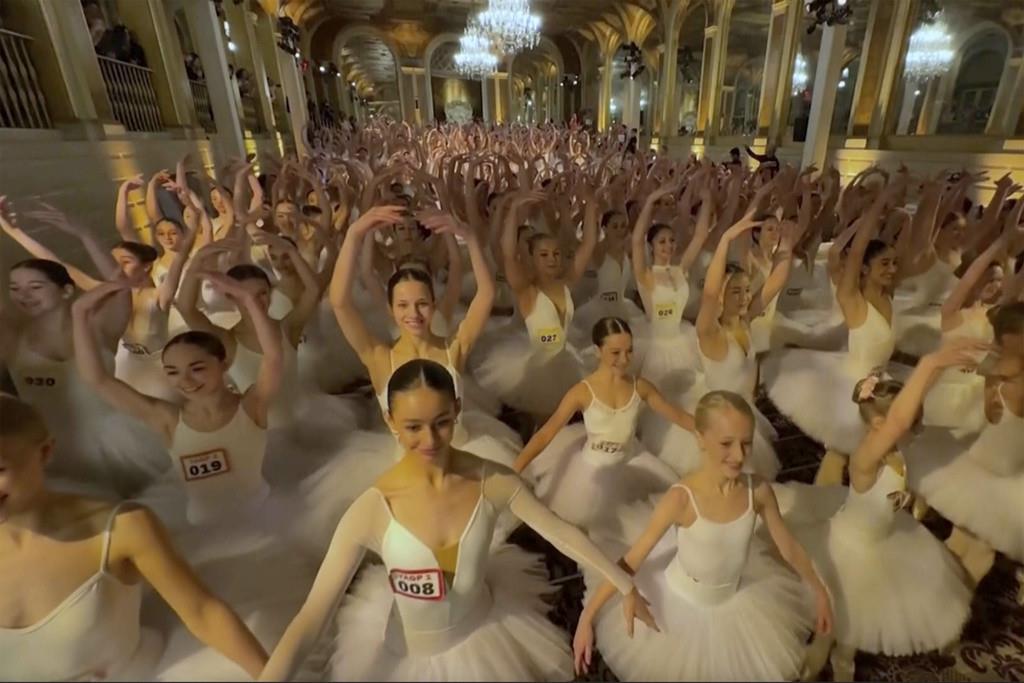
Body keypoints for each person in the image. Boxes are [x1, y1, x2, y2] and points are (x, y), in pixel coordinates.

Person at [259, 359, 656, 681]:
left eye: (441, 422)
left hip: (484, 638)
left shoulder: (494, 481)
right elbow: (313, 616)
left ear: (458, 413)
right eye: (413, 427)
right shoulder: (371, 509)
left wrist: (624, 585)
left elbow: (560, 533)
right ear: (390, 421)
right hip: (404, 656)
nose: (430, 440)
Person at [0, 394, 268, 681]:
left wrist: (271, 675)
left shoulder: (124, 528)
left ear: (45, 452)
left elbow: (203, 612)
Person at [572, 390, 833, 681]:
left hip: (735, 603)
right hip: (678, 611)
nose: (738, 455)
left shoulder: (758, 490)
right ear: (700, 439)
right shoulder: (682, 499)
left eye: (746, 444)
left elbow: (788, 548)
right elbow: (631, 560)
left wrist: (818, 590)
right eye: (726, 444)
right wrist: (587, 616)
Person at [781, 342, 980, 681]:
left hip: (883, 541)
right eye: (905, 424)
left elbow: (905, 416)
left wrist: (936, 375)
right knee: (838, 606)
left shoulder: (896, 452)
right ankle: (818, 653)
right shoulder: (865, 459)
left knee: (859, 616)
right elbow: (900, 419)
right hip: (849, 546)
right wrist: (930, 362)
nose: (912, 430)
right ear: (878, 427)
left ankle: (843, 656)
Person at [512, 318, 692, 534]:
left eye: (629, 351)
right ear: (598, 351)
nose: (624, 359)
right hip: (592, 470)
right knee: (592, 530)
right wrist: (514, 470)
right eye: (615, 353)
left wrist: (708, 432)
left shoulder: (640, 387)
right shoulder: (582, 392)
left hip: (630, 462)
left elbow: (677, 416)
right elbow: (546, 433)